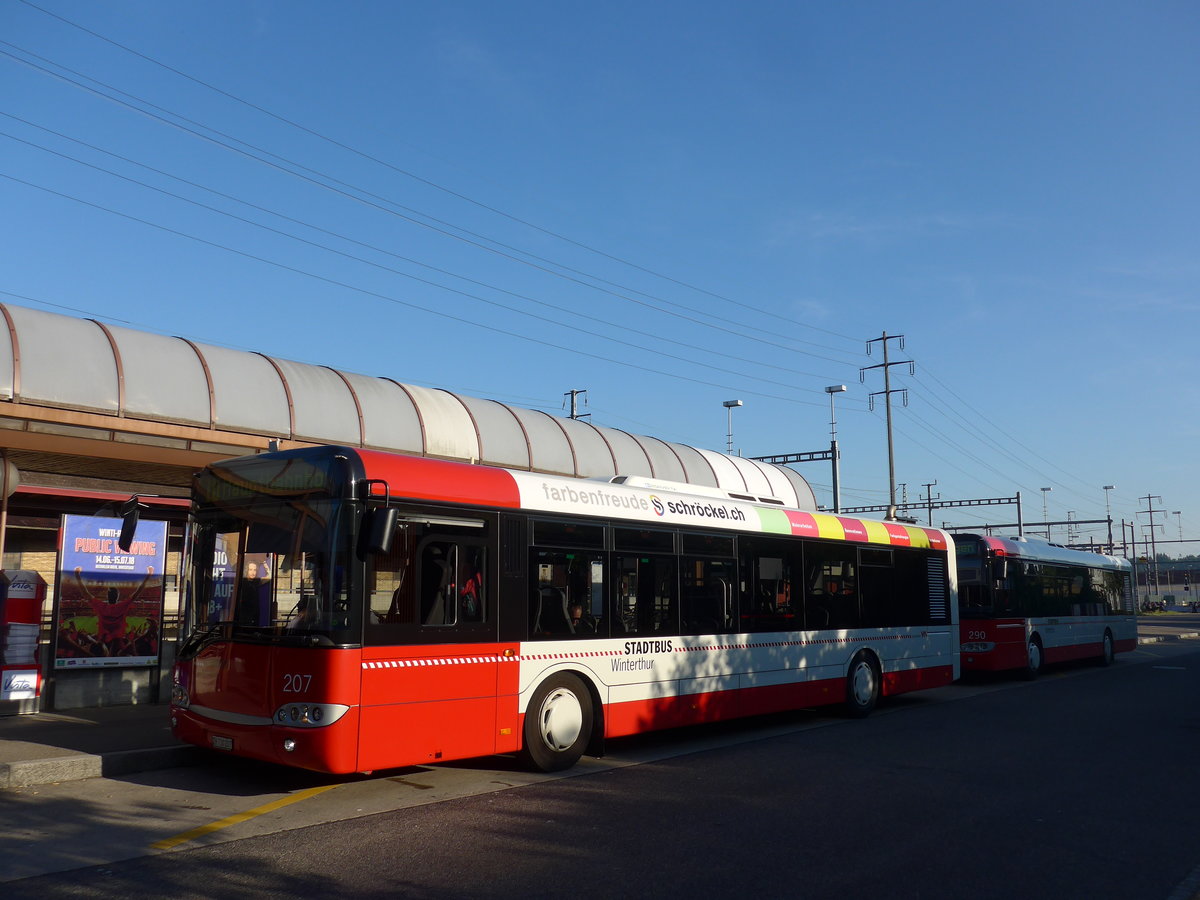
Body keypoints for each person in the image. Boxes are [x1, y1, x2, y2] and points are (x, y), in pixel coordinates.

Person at [73, 565, 155, 655]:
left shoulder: (101, 606)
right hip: (118, 643)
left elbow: (85, 593)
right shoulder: (122, 606)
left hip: (102, 642)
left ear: (107, 596)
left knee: (89, 641)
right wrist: (148, 576)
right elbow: (137, 593)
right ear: (117, 597)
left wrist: (77, 576)